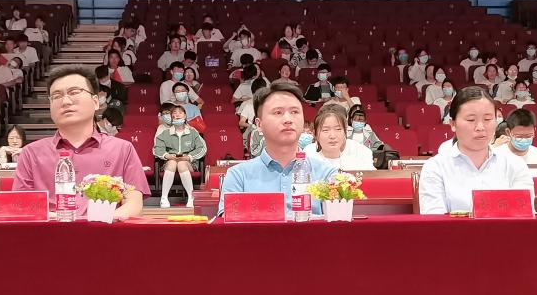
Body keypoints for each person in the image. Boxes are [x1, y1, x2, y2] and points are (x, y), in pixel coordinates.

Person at [14, 67, 148, 219]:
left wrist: (99, 221)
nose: (65, 101)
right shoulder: (31, 153)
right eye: (57, 96)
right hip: (50, 231)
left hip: (105, 230)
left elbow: (134, 204)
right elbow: (21, 206)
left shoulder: (122, 149)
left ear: (95, 102)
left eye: (74, 92)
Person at [218, 81, 337, 217]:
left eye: (294, 112)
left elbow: (338, 224)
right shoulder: (238, 176)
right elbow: (227, 225)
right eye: (278, 112)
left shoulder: (326, 174)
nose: (288, 119)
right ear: (259, 125)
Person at [418, 87, 533, 214]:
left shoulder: (515, 165)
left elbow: (524, 217)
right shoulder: (435, 168)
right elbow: (434, 221)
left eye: (487, 119)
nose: (480, 127)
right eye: (471, 120)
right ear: (453, 124)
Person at [152, 104, 206, 208]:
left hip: (188, 163)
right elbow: (157, 149)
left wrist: (189, 157)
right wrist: (167, 156)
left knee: (181, 163)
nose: (177, 115)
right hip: (170, 162)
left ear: (185, 116)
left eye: (180, 113)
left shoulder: (192, 132)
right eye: (174, 113)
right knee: (172, 163)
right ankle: (164, 198)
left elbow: (202, 148)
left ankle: (191, 197)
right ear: (171, 117)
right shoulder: (165, 133)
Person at [306, 104, 374, 170]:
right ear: (315, 134)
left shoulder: (361, 154)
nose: (332, 136)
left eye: (338, 129)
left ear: (345, 130)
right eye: (325, 130)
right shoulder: (309, 154)